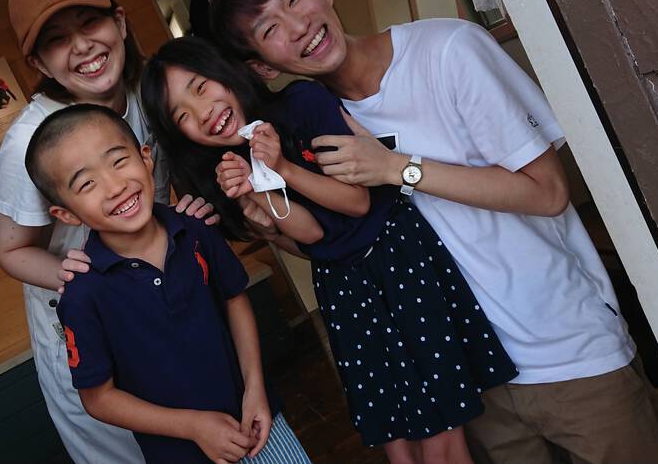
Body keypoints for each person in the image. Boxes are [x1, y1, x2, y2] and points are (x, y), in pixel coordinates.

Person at [207, 0, 658, 464]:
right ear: (264, 66)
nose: (298, 26)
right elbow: (346, 245)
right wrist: (270, 224)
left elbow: (548, 192)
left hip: (567, 349)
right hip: (469, 371)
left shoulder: (447, 50)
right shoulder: (313, 124)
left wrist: (397, 168)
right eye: (270, 29)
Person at [141, 36, 517, 464]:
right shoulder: (229, 168)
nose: (202, 113)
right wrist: (255, 193)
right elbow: (314, 234)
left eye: (200, 87)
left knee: (440, 436)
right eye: (182, 115)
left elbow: (356, 203)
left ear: (224, 72)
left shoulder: (302, 104)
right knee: (398, 438)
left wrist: (281, 168)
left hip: (397, 262)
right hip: (344, 287)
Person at [0, 0, 218, 463]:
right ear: (38, 62)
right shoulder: (29, 142)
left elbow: (169, 185)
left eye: (89, 23)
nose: (81, 47)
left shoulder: (148, 89)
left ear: (119, 21)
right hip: (96, 328)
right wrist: (85, 280)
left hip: (172, 301)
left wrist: (192, 213)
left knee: (216, 431)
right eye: (57, 40)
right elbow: (10, 250)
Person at [24, 103, 310, 464]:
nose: (115, 186)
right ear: (66, 214)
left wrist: (255, 389)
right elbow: (98, 398)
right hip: (181, 453)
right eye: (87, 184)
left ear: (146, 158)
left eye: (118, 161)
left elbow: (234, 299)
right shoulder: (82, 293)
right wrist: (194, 427)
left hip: (257, 423)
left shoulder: (196, 227)